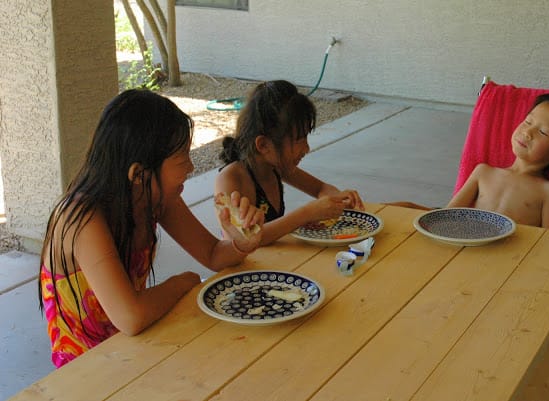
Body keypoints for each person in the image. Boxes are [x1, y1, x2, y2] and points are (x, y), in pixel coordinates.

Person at [38, 89, 264, 368]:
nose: (191, 167)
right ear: (138, 173)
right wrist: (182, 282)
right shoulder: (83, 219)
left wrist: (241, 240)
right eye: (182, 159)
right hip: (86, 372)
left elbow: (214, 254)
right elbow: (130, 316)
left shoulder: (153, 197)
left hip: (135, 350)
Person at [215, 80, 364, 245]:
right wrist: (308, 213)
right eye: (299, 140)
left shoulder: (275, 166)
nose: (306, 148)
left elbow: (321, 188)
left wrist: (339, 200)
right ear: (263, 145)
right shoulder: (230, 178)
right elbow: (246, 238)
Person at [447, 92, 549, 229]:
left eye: (543, 132)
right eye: (528, 122)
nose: (528, 132)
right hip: (469, 246)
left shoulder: (548, 191)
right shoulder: (483, 172)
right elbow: (448, 215)